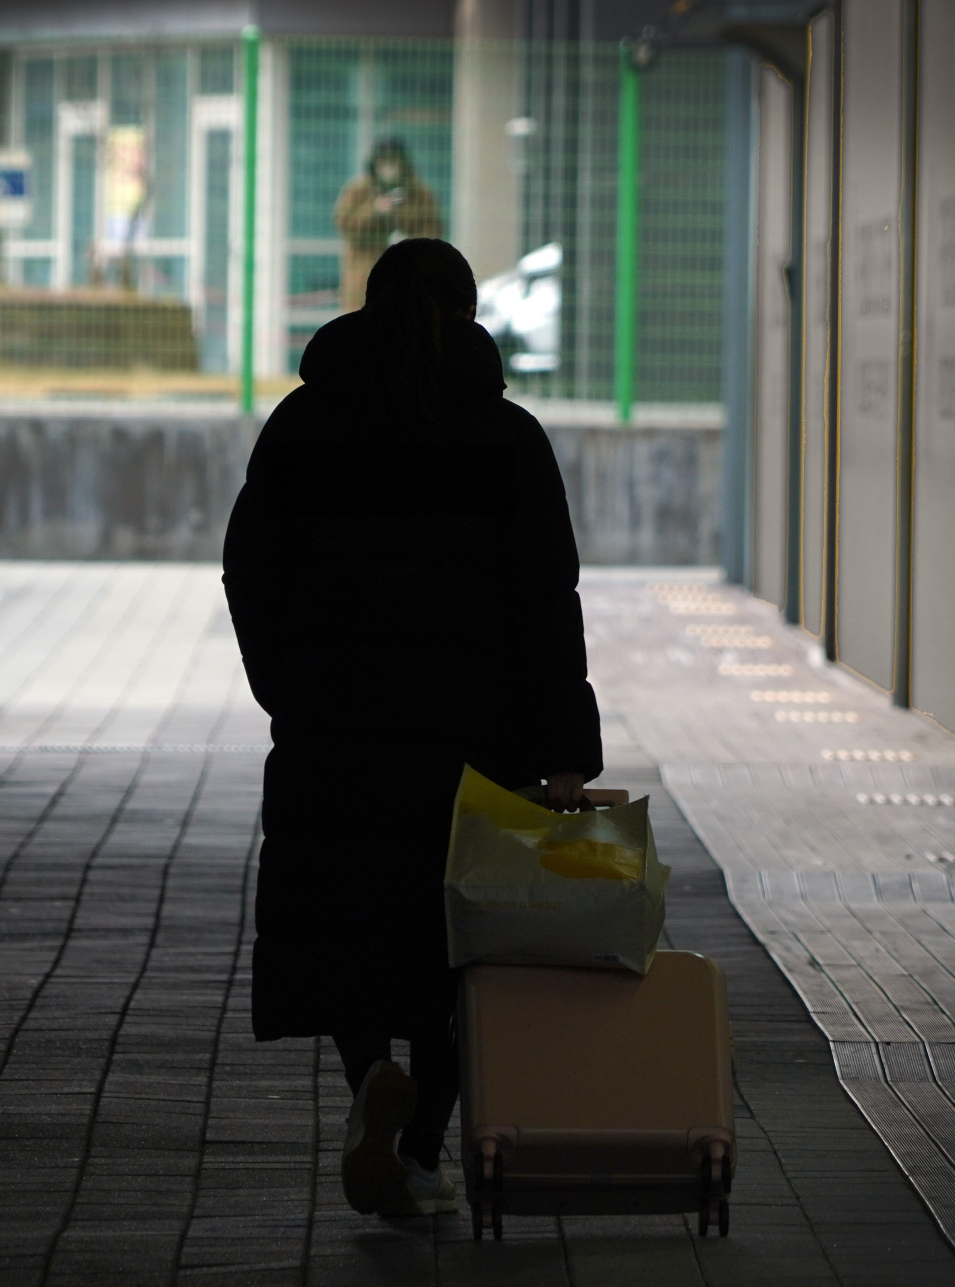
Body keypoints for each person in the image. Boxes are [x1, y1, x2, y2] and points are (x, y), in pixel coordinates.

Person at [222, 238, 602, 1219]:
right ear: (469, 311)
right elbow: (544, 599)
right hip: (475, 739)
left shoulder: (305, 427)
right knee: (460, 947)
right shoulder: (506, 439)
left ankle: (367, 1085)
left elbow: (250, 569)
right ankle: (426, 1145)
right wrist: (563, 752)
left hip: (338, 733)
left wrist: (289, 688)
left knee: (353, 933)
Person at [333, 137, 443, 312]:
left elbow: (434, 229)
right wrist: (374, 211)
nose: (389, 170)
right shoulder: (358, 191)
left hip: (409, 278)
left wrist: (403, 223)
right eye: (383, 164)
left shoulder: (420, 193)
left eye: (394, 163)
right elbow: (346, 226)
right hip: (364, 278)